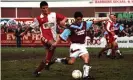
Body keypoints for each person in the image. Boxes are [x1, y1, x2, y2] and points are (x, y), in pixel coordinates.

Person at [51, 11, 108, 80]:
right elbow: (61, 36)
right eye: (78, 19)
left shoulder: (84, 24)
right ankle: (57, 60)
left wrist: (105, 19)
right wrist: (55, 43)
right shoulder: (71, 27)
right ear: (75, 19)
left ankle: (85, 76)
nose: (79, 21)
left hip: (82, 45)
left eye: (80, 19)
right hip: (75, 46)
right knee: (71, 62)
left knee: (87, 58)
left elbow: (94, 21)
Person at [20, 1, 67, 77]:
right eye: (43, 8)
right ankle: (59, 60)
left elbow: (64, 18)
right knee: (53, 45)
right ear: (41, 9)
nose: (45, 9)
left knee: (48, 59)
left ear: (48, 7)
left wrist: (63, 22)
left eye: (46, 7)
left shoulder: (54, 15)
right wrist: (24, 33)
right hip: (44, 37)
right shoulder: (38, 19)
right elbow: (31, 26)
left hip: (53, 38)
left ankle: (38, 71)